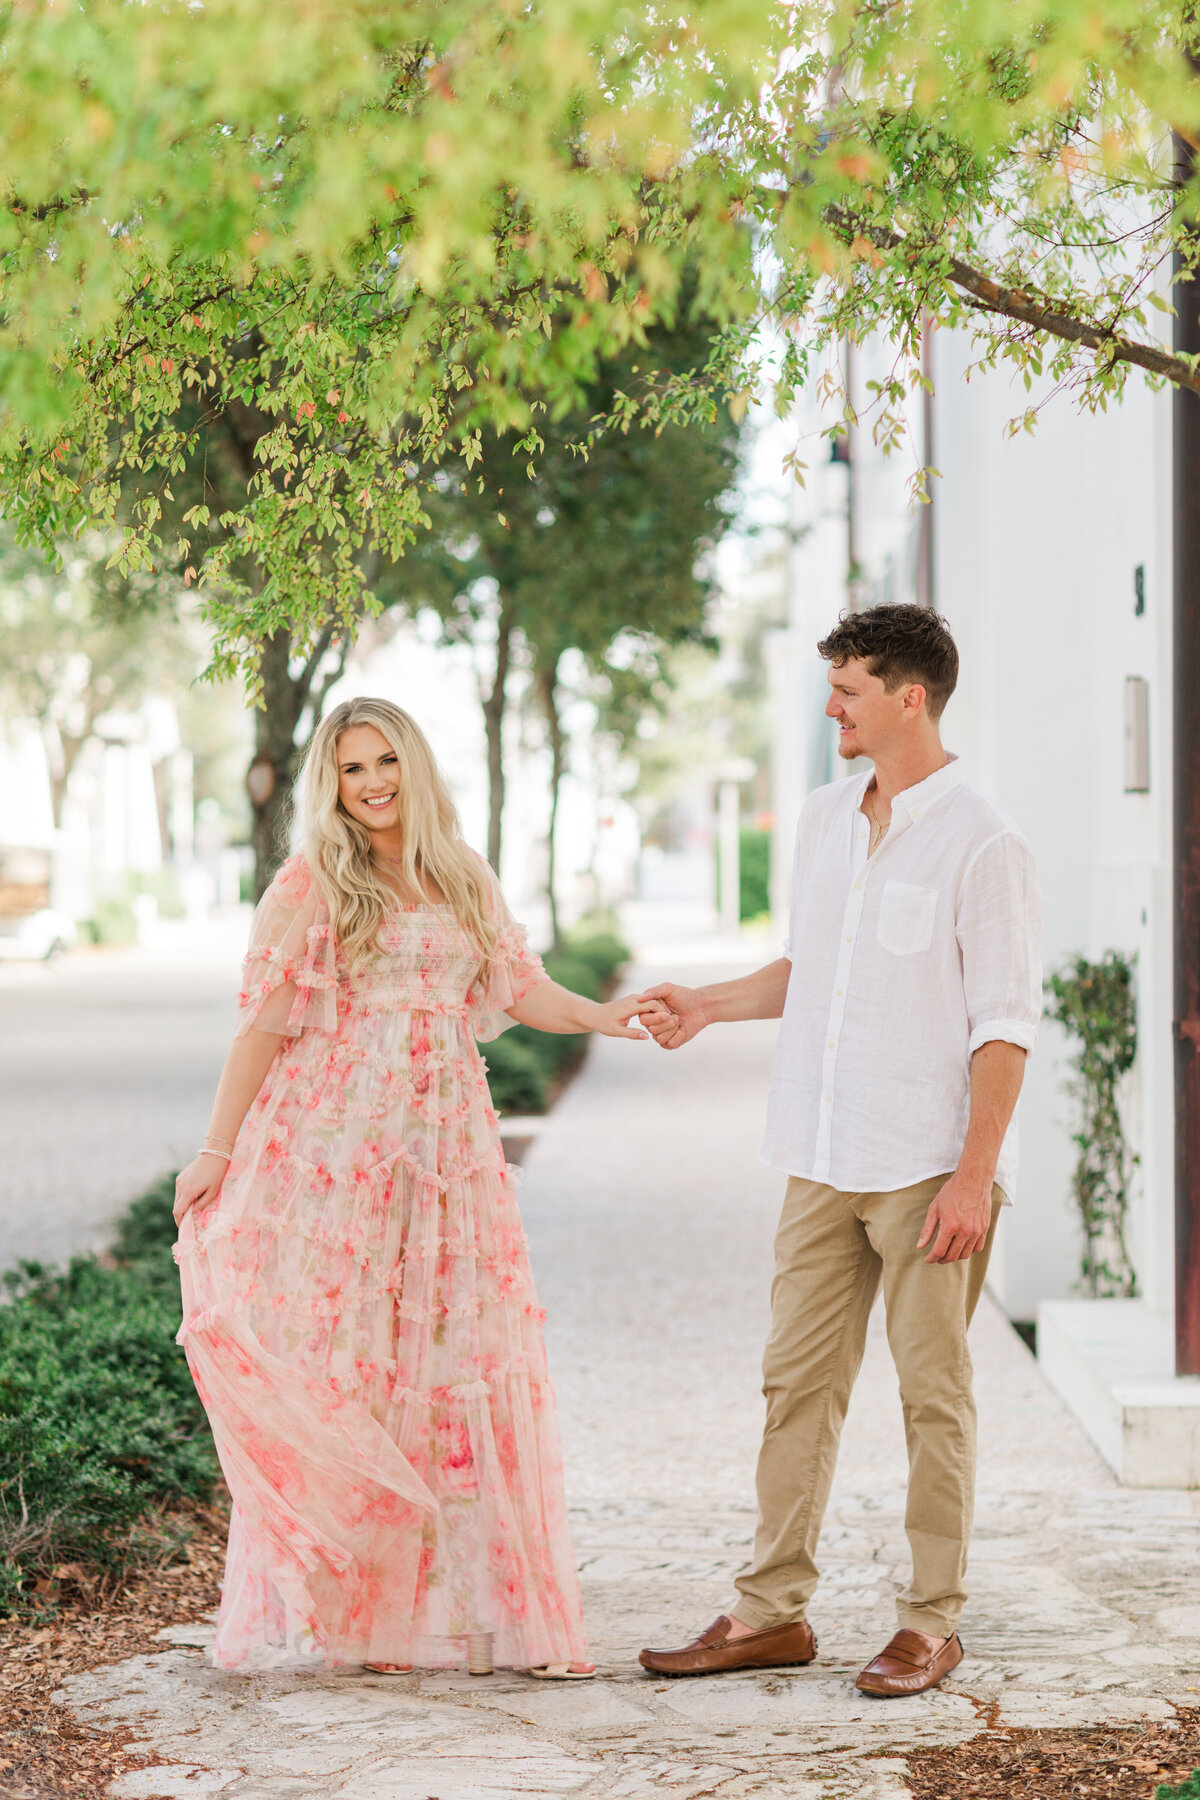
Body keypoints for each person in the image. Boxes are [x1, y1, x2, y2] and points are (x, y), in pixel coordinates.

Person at [173, 697, 653, 1679]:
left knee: (448, 1353)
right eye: (353, 770)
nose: (374, 782)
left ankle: (452, 1611)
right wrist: (216, 1153)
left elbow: (519, 988)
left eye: (386, 760)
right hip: (343, 1150)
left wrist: (606, 1018)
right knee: (354, 1356)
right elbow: (263, 1026)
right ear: (332, 785)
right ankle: (359, 1611)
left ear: (414, 765)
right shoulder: (312, 882)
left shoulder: (459, 871)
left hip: (447, 1159)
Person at [635, 604, 1042, 1696]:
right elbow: (805, 971)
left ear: (910, 697)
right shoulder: (822, 817)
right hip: (821, 1150)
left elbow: (1004, 1026)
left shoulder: (983, 840)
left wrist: (973, 1176)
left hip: (925, 1170)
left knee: (933, 1397)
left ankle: (930, 1621)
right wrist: (706, 1006)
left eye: (849, 690)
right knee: (794, 1387)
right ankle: (770, 1612)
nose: (831, 709)